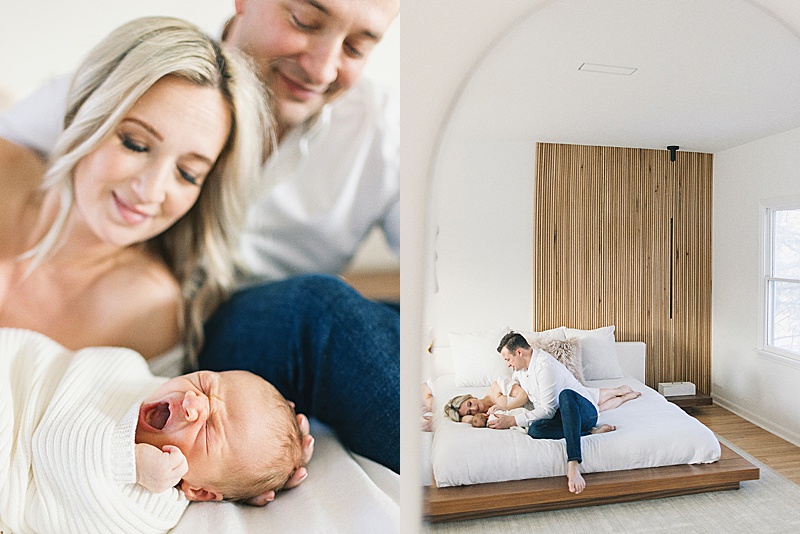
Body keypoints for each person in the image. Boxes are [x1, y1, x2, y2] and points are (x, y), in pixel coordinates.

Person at [1, 0, 401, 474]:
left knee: (357, 318)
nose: (323, 66)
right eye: (304, 21)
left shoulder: (381, 130)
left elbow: (444, 265)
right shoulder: (122, 81)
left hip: (218, 317)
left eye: (356, 47)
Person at [0, 327, 309, 534]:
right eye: (204, 384)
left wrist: (129, 465)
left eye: (209, 429)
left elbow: (54, 449)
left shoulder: (148, 508)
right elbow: (79, 368)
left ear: (199, 490)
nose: (193, 402)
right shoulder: (136, 379)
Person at [489, 331, 633, 495]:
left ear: (519, 353)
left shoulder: (545, 366)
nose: (508, 364)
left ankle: (573, 463)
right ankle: (590, 432)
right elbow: (516, 392)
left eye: (508, 359)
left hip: (583, 412)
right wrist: (501, 408)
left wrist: (512, 421)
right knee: (535, 429)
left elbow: (548, 411)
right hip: (562, 417)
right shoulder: (520, 370)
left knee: (566, 395)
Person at [445, 382, 640, 427]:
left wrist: (507, 409)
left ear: (470, 396)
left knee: (595, 398)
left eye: (469, 403)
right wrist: (464, 417)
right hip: (539, 412)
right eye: (469, 411)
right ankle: (624, 399)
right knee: (599, 409)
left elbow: (522, 395)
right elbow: (470, 421)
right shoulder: (486, 416)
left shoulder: (496, 387)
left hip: (542, 398)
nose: (474, 408)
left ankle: (618, 390)